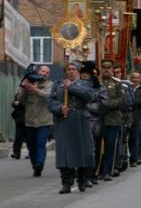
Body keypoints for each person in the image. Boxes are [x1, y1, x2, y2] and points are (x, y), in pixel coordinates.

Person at [47, 62, 95, 194]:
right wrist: (59, 108)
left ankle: (82, 178)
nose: (71, 72)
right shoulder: (58, 85)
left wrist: (71, 87)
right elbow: (50, 101)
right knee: (64, 152)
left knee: (84, 151)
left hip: (80, 119)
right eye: (69, 69)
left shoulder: (85, 84)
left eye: (74, 69)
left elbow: (88, 96)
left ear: (78, 71)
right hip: (64, 120)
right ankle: (66, 182)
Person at [15, 65, 52, 175]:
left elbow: (48, 96)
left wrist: (35, 89)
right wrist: (24, 87)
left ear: (48, 74)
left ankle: (40, 163)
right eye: (42, 71)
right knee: (31, 146)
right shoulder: (29, 83)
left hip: (44, 120)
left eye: (46, 72)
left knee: (40, 143)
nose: (44, 73)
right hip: (30, 121)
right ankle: (35, 166)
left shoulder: (49, 85)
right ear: (38, 72)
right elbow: (20, 101)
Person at [98, 60, 125, 180]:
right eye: (104, 68)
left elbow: (122, 100)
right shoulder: (97, 83)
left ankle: (108, 170)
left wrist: (110, 104)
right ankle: (96, 170)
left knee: (110, 146)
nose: (106, 70)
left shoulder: (117, 84)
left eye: (109, 68)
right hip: (98, 118)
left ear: (112, 69)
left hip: (112, 119)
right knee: (97, 146)